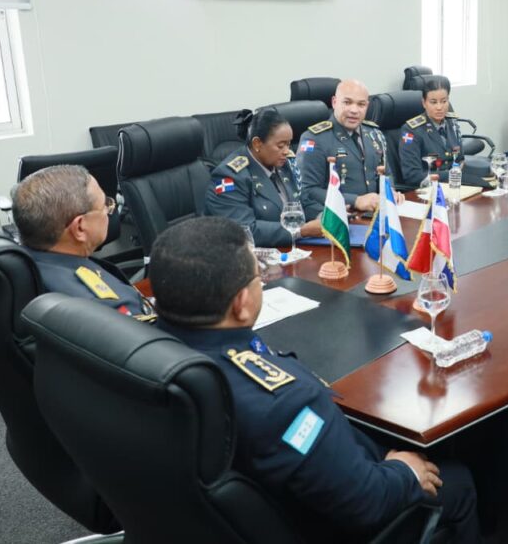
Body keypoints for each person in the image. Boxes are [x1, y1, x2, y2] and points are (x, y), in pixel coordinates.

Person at [151, 217, 480, 543]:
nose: (261, 281)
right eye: (257, 276)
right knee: (460, 479)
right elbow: (365, 503)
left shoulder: (147, 352)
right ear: (241, 304)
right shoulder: (285, 403)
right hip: (325, 518)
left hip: (205, 513)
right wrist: (403, 473)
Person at [11, 164, 154, 319]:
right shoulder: (112, 308)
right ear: (80, 227)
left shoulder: (16, 268)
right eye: (104, 205)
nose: (108, 210)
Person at [205, 106, 321, 247]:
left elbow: (302, 202)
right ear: (257, 144)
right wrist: (301, 231)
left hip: (288, 249)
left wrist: (323, 216)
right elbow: (244, 230)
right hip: (244, 255)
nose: (287, 151)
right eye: (280, 146)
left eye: (289, 144)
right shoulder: (229, 177)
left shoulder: (284, 163)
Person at [296, 79, 401, 220]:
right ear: (334, 102)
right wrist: (355, 200)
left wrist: (390, 191)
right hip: (341, 219)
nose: (354, 110)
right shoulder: (314, 139)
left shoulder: (375, 134)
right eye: (347, 102)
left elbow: (386, 173)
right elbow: (307, 191)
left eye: (361, 104)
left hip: (376, 215)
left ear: (367, 106)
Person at [399, 81, 466, 187]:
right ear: (424, 103)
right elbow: (412, 175)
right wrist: (451, 176)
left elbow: (460, 159)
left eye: (444, 101)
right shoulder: (411, 130)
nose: (439, 107)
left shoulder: (452, 122)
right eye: (433, 102)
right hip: (428, 189)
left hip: (455, 185)